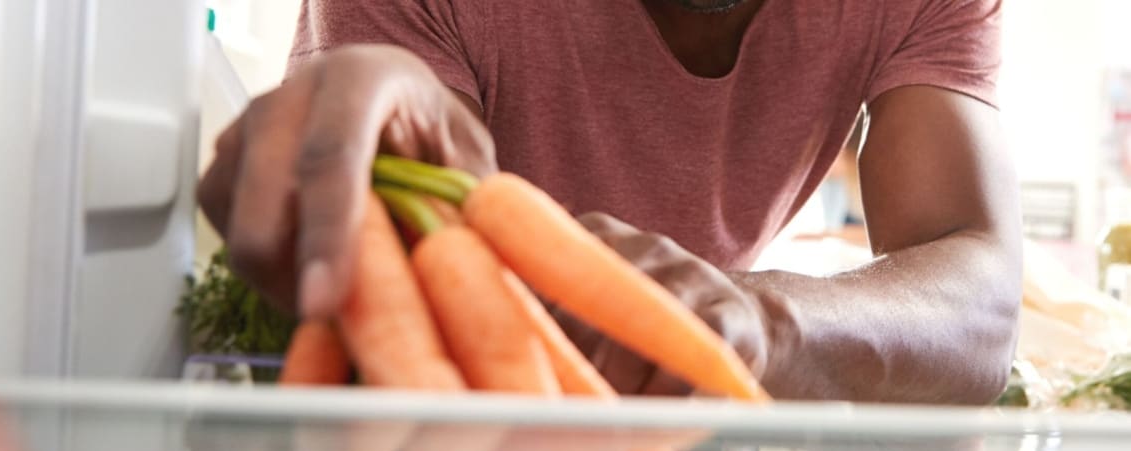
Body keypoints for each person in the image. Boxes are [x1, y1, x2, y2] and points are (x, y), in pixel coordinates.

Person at [198, 0, 1022, 406]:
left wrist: (763, 324)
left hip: (707, 405)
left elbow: (979, 296)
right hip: (465, 436)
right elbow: (417, 282)